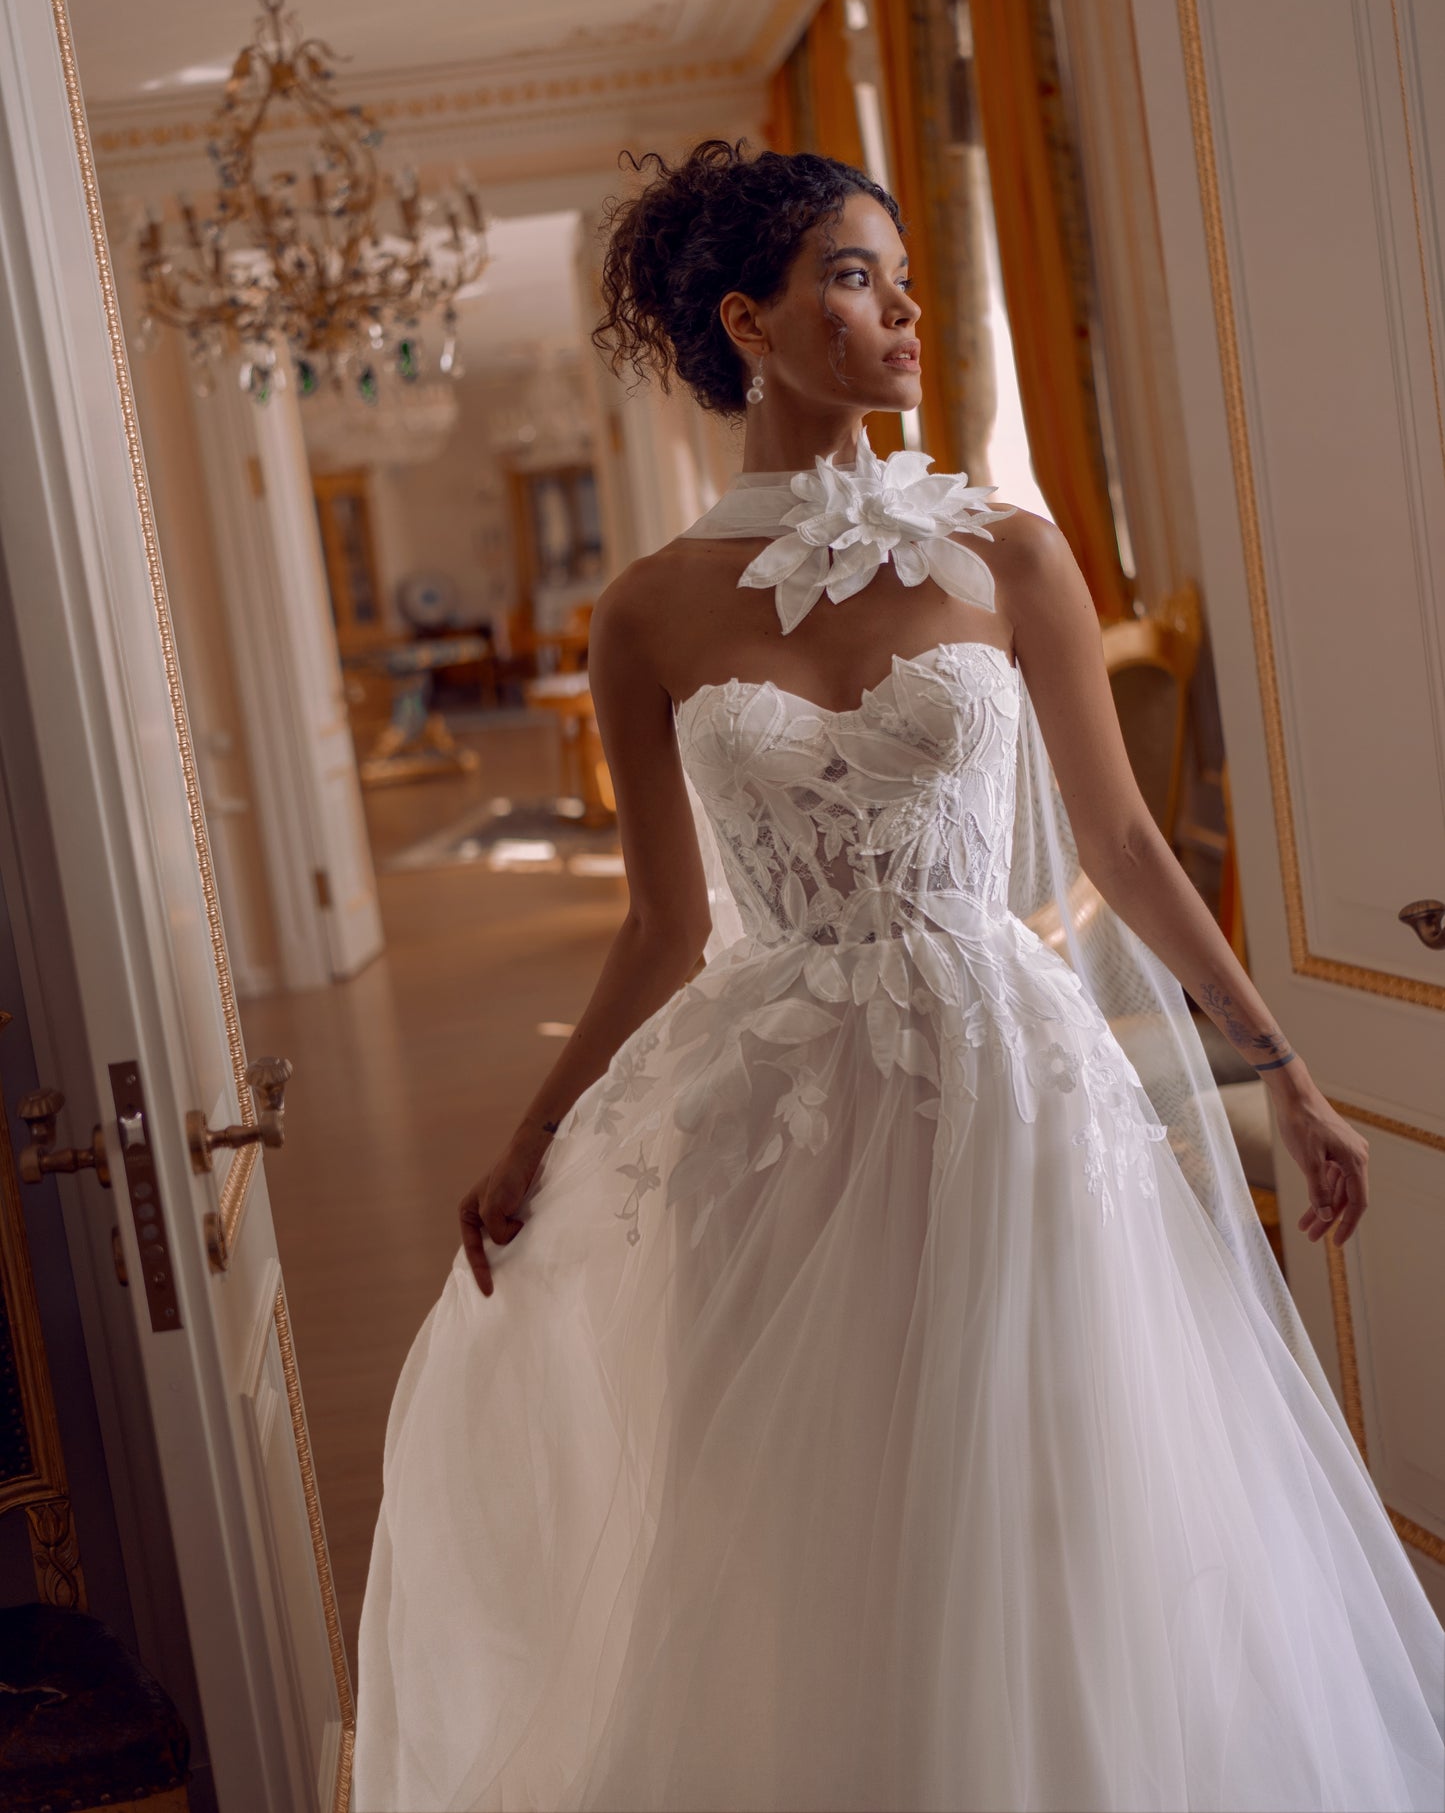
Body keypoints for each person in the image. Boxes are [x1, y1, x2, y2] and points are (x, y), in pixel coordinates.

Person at [355, 141, 1444, 1813]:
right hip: (772, 1118)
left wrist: (1278, 1069)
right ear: (752, 323)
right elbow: (656, 924)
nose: (903, 309)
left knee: (1047, 1489)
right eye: (855, 277)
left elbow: (1125, 844)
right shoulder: (644, 611)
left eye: (901, 277)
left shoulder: (1008, 548)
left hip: (1007, 1084)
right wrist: (526, 1138)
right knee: (806, 1516)